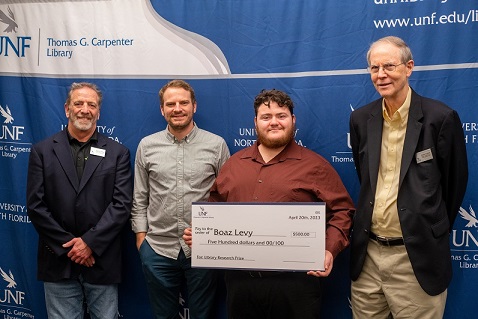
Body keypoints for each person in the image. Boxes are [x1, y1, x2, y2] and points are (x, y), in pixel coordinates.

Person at [184, 89, 355, 319]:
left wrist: (328, 249)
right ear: (255, 122)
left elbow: (343, 210)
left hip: (295, 286)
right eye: (266, 117)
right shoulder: (234, 164)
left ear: (293, 120)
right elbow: (215, 208)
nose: (274, 122)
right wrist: (202, 235)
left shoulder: (315, 165)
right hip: (241, 284)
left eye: (281, 116)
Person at [349, 36, 468, 319]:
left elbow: (454, 185)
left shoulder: (440, 118)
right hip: (368, 257)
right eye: (374, 68)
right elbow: (364, 176)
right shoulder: (361, 120)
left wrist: (426, 227)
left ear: (409, 67)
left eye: (389, 66)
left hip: (416, 258)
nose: (381, 74)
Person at [26, 82, 133, 319]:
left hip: (101, 259)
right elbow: (36, 206)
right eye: (79, 103)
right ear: (67, 109)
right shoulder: (42, 151)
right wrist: (71, 247)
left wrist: (90, 243)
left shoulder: (118, 153)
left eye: (91, 105)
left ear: (98, 112)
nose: (85, 109)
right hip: (57, 259)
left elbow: (121, 204)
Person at [131, 79, 230, 319]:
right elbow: (140, 196)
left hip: (204, 249)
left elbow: (228, 199)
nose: (177, 108)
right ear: (162, 109)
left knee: (202, 316)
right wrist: (141, 240)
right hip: (157, 248)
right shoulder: (147, 146)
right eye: (171, 103)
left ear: (194, 106)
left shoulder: (216, 146)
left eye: (183, 102)